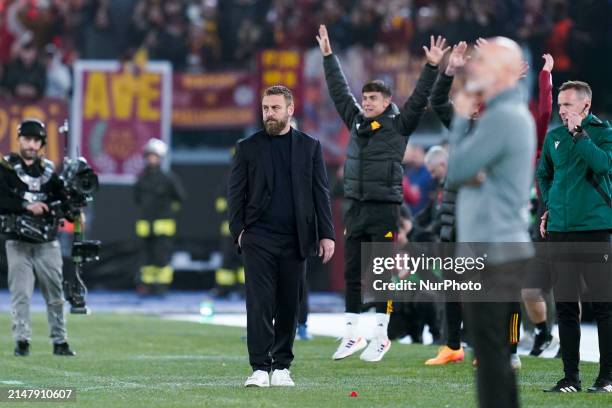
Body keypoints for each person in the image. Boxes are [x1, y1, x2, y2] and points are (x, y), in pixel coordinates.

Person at [317, 24, 447, 362]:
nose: (365, 103)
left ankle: (381, 335)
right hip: (355, 207)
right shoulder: (356, 121)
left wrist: (432, 66)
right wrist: (329, 57)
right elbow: (338, 91)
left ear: (387, 101)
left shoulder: (400, 124)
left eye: (372, 98)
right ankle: (351, 333)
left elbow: (419, 98)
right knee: (351, 271)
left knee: (380, 272)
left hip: (385, 207)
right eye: (364, 98)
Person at [446, 38, 536, 408]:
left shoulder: (502, 117)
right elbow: (466, 170)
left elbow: (455, 169)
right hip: (497, 248)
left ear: (501, 71)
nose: (472, 67)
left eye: (480, 61)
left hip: (494, 251)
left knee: (491, 357)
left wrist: (458, 118)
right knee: (494, 355)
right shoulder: (507, 113)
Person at [228, 85, 334, 388]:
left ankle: (282, 367)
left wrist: (326, 234)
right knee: (259, 303)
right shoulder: (247, 147)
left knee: (290, 303)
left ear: (290, 110)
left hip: (296, 238)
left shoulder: (310, 147)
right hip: (258, 237)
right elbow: (235, 194)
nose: (269, 114)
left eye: (275, 108)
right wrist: (240, 233)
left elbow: (320, 193)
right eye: (265, 108)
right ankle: (259, 368)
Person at [538, 80, 612, 393]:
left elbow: (603, 165)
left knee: (604, 306)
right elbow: (543, 174)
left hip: (594, 229)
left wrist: (580, 133)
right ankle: (571, 378)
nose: (561, 110)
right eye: (559, 105)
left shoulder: (603, 133)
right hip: (560, 232)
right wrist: (550, 207)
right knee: (566, 306)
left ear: (584, 106)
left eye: (567, 105)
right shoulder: (553, 137)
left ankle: (607, 378)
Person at [0, 119, 76, 357]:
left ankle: (60, 341)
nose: (31, 144)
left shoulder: (50, 171)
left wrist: (67, 201)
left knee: (55, 293)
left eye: (36, 140)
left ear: (41, 143)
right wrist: (26, 205)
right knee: (20, 294)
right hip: (18, 241)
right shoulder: (6, 168)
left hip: (47, 242)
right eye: (27, 139)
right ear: (19, 139)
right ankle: (22, 341)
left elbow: (65, 202)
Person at [134, 138, 185, 295]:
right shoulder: (141, 179)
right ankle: (147, 285)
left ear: (161, 158)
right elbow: (137, 199)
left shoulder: (168, 178)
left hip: (163, 227)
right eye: (149, 156)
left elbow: (180, 198)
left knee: (161, 257)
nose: (151, 159)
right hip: (145, 226)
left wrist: (168, 212)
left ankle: (161, 287)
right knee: (146, 258)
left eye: (154, 156)